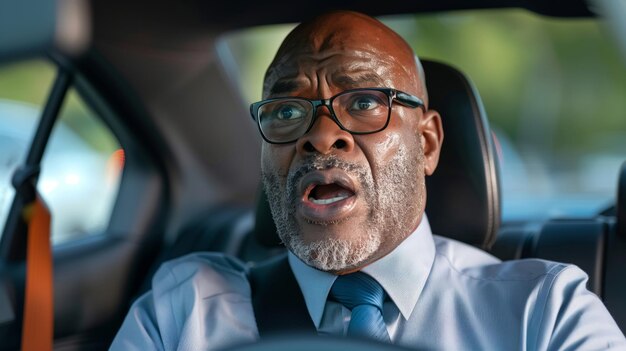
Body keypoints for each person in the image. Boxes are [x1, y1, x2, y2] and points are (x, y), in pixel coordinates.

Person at [110, 11, 626, 350]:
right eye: (289, 110)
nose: (321, 136)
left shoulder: (544, 314)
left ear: (426, 144)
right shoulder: (183, 312)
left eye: (363, 103)